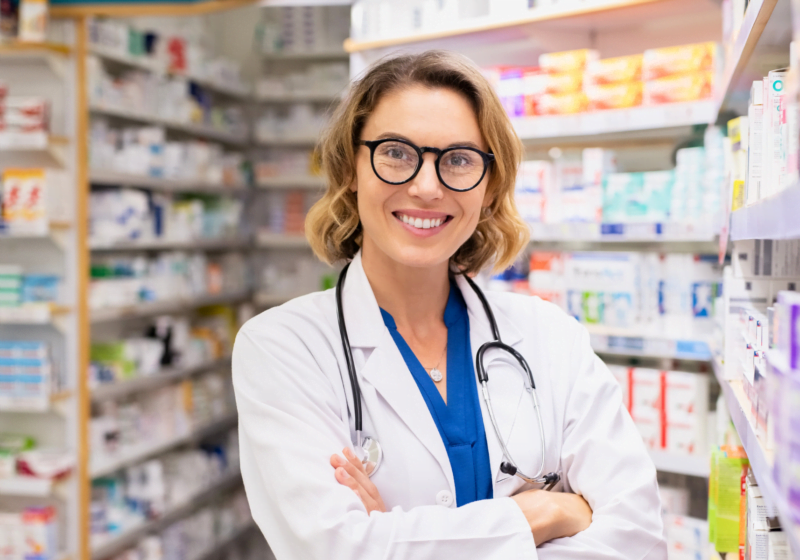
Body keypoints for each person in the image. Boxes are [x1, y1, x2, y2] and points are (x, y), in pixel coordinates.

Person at [233, 50, 667, 560]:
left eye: (459, 160)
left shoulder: (551, 337)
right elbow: (334, 549)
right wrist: (545, 515)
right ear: (351, 167)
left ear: (489, 187)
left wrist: (395, 536)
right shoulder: (283, 348)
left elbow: (637, 539)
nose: (425, 186)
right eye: (396, 152)